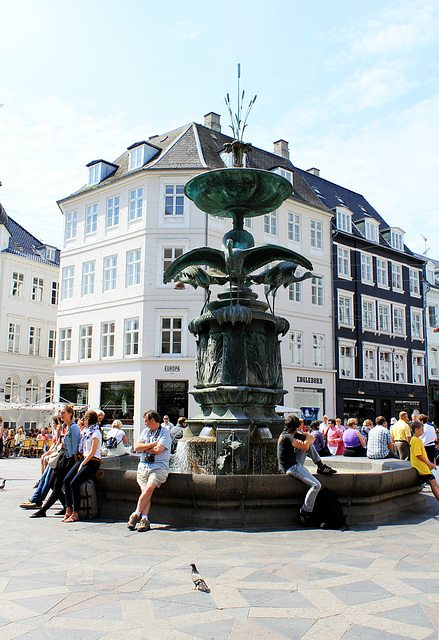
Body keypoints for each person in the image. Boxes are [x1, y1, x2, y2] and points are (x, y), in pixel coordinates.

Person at [278, 415, 334, 525]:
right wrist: (308, 438)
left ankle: (320, 465)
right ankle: (305, 511)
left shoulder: (287, 434)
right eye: (298, 428)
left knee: (306, 442)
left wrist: (307, 437)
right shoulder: (287, 437)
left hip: (294, 462)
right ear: (295, 428)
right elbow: (306, 446)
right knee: (316, 485)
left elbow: (308, 441)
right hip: (291, 467)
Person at [30, 405, 80, 518]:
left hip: (69, 459)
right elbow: (59, 443)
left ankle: (43, 510)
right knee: (52, 483)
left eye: (63, 413)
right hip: (61, 457)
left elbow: (75, 447)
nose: (61, 414)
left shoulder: (74, 427)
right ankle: (66, 505)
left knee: (57, 485)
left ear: (70, 414)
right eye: (60, 412)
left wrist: (76, 464)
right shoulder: (64, 427)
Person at [127, 410, 172, 532]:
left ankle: (135, 514)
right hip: (143, 467)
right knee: (146, 494)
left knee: (148, 490)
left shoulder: (165, 432)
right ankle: (145, 519)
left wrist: (145, 447)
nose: (145, 423)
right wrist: (152, 444)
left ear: (152, 420)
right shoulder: (145, 432)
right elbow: (136, 448)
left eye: (146, 421)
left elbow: (159, 450)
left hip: (158, 467)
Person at [63, 410, 103, 523]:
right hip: (84, 459)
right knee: (66, 480)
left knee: (74, 483)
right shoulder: (86, 431)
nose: (82, 420)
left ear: (88, 420)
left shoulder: (96, 433)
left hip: (92, 461)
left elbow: (93, 451)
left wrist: (82, 464)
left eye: (84, 418)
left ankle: (76, 512)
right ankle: (68, 508)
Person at [410, 420, 439, 502]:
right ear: (416, 430)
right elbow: (418, 455)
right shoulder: (416, 440)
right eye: (422, 429)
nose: (423, 431)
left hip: (421, 466)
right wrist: (430, 464)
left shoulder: (414, 440)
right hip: (421, 467)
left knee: (433, 483)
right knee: (433, 483)